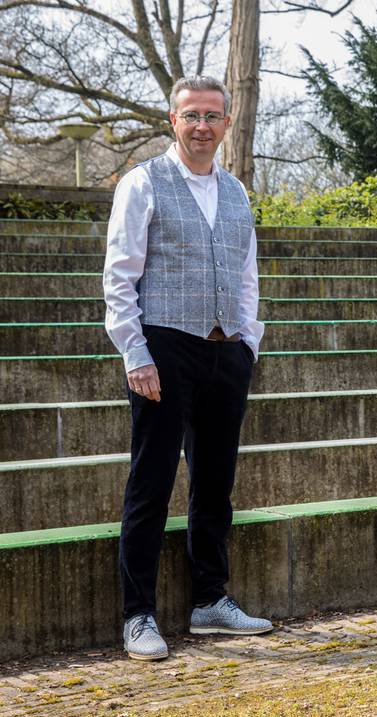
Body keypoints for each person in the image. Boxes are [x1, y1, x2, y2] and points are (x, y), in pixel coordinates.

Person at [103, 75, 272, 661]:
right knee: (150, 482)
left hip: (227, 350)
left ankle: (209, 602)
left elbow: (247, 274)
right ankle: (138, 614)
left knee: (215, 482)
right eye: (192, 115)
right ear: (172, 120)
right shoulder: (142, 183)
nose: (203, 125)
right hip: (164, 345)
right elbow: (120, 277)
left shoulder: (237, 191)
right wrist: (135, 351)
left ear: (227, 123)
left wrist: (249, 341)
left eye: (213, 116)